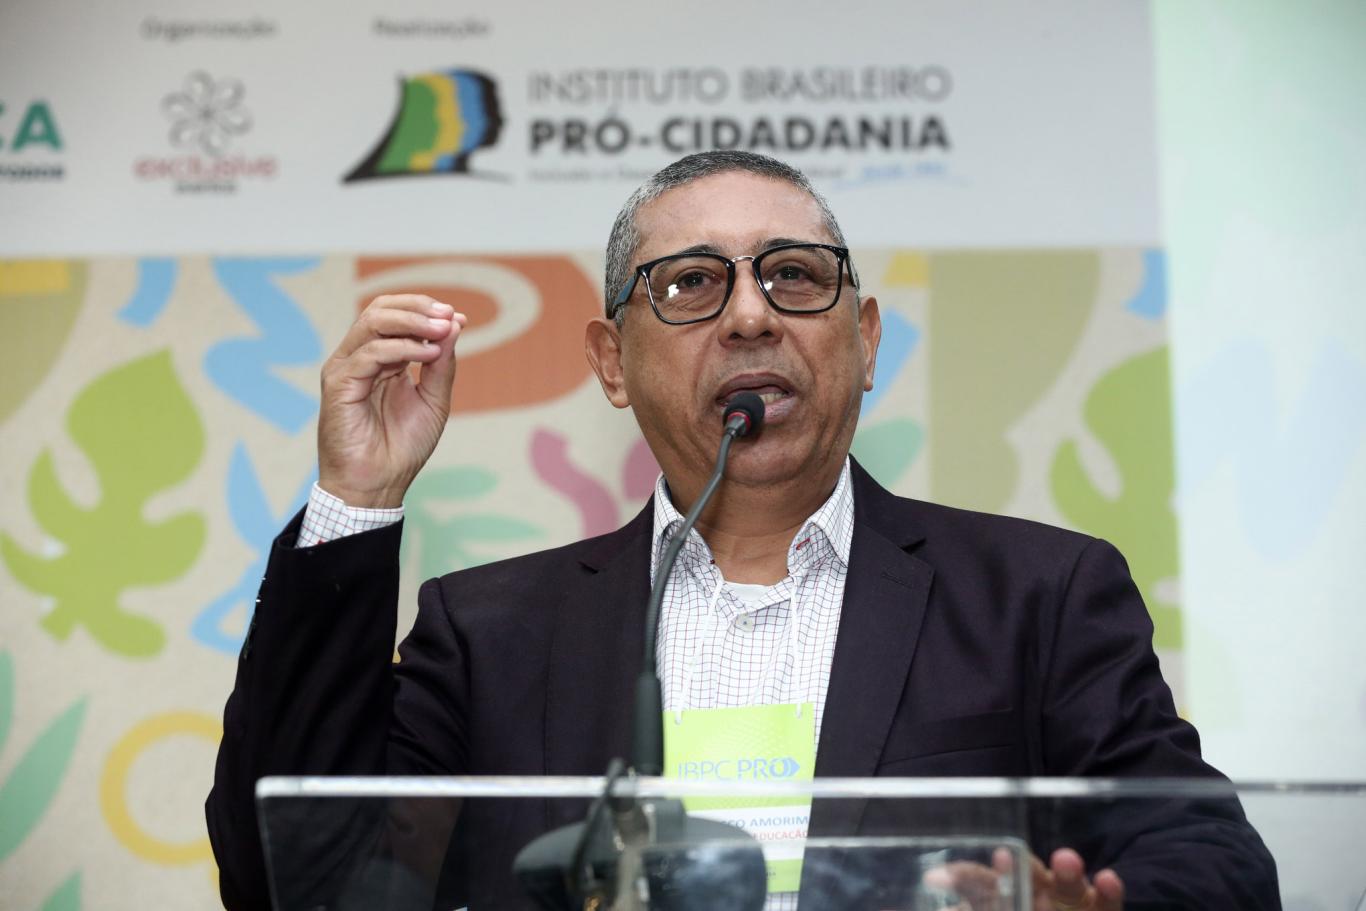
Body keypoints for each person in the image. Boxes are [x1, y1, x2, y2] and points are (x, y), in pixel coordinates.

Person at [207, 150, 1278, 910]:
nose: (752, 314)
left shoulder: (1036, 595)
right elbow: (292, 875)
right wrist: (358, 496)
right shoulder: (492, 630)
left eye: (794, 275)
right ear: (612, 362)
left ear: (864, 340)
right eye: (691, 284)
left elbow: (1212, 858)